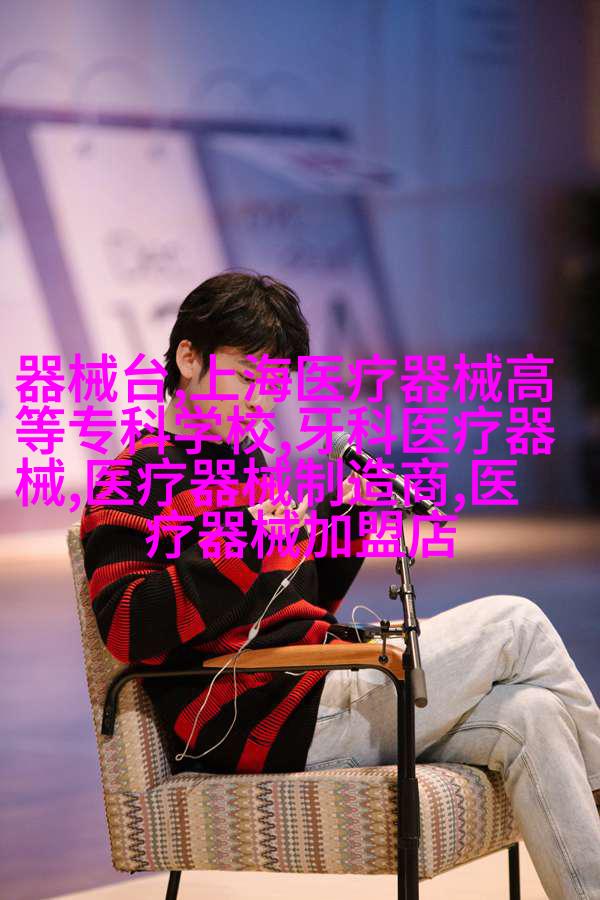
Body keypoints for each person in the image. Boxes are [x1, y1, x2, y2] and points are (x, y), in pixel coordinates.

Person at [81, 270, 600, 900]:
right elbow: (130, 629)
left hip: (309, 687)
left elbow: (295, 606)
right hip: (255, 716)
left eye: (274, 385)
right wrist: (247, 542)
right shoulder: (128, 483)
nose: (260, 401)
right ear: (188, 358)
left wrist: (346, 522)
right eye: (246, 377)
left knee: (534, 714)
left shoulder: (246, 464)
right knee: (516, 622)